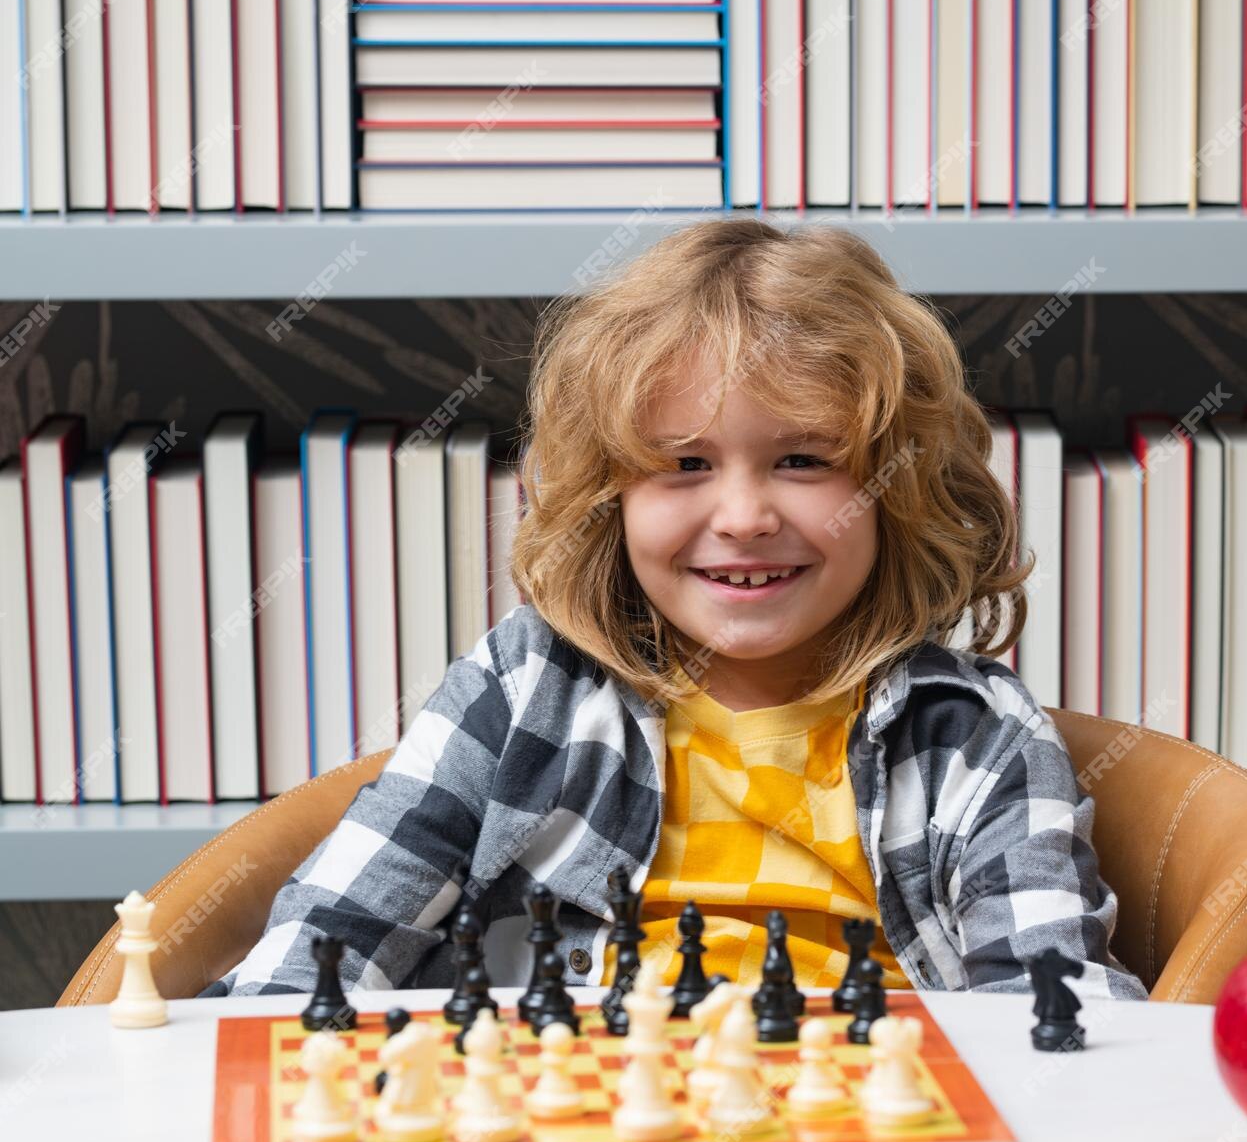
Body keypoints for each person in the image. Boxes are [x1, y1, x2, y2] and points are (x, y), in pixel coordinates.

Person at [202, 220, 1145, 1002]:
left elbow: (1050, 1024)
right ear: (606, 496)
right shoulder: (524, 685)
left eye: (805, 459)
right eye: (685, 464)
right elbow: (327, 944)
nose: (743, 517)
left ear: (895, 489)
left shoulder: (975, 737)